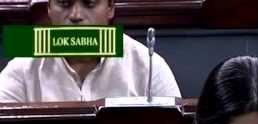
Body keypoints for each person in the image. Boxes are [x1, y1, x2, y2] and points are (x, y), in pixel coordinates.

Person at [0, 0, 180, 102]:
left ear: (110, 8)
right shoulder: (22, 69)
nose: (76, 15)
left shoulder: (148, 66)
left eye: (90, 3)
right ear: (48, 9)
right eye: (64, 3)